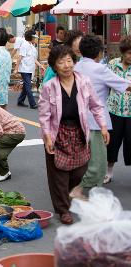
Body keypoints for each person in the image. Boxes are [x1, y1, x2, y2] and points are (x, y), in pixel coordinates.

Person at [38, 45, 109, 224]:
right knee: (58, 175)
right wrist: (47, 136)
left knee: (79, 170)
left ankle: (68, 194)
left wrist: (103, 126)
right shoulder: (49, 87)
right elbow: (45, 114)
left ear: (74, 62)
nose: (67, 65)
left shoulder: (84, 81)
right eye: (61, 62)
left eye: (69, 60)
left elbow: (96, 105)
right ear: (55, 66)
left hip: (78, 131)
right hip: (57, 133)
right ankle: (63, 210)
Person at [69, 36, 131, 198]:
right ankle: (79, 189)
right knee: (98, 164)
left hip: (75, 120)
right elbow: (125, 86)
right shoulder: (101, 69)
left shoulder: (75, 67)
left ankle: (87, 191)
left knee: (80, 158)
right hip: (96, 122)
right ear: (98, 52)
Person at [105, 36, 131, 183]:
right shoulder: (113, 65)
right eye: (129, 53)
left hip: (130, 113)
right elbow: (104, 84)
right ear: (123, 52)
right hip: (114, 110)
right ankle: (109, 171)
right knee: (113, 142)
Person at [15, 30, 45, 109]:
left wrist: (40, 66)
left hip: (30, 69)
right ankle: (33, 104)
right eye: (34, 37)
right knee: (28, 86)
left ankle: (20, 101)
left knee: (26, 86)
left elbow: (34, 59)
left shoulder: (32, 46)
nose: (35, 39)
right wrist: (16, 68)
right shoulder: (24, 45)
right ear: (31, 37)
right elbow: (20, 57)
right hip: (24, 69)